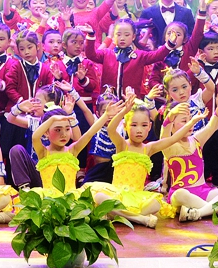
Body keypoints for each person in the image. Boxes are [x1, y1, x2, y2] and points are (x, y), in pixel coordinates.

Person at [84, 92, 200, 228]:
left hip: (137, 197)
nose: (139, 130)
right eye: (134, 125)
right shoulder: (122, 145)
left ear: (149, 127)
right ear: (125, 126)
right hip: (117, 195)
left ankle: (117, 215)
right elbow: (111, 129)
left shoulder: (149, 148)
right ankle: (138, 218)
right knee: (100, 197)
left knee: (156, 204)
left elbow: (173, 139)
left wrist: (192, 122)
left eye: (144, 125)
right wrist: (123, 112)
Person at [162, 90, 218, 222]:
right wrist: (170, 116)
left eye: (190, 119)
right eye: (184, 121)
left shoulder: (196, 140)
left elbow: (212, 127)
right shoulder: (169, 146)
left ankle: (199, 212)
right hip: (184, 195)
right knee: (179, 194)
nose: (190, 124)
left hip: (203, 192)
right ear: (172, 126)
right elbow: (164, 134)